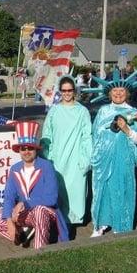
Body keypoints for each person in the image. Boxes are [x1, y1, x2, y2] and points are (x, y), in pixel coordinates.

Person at [83, 69, 137, 237]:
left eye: (121, 91)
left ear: (127, 93)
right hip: (102, 159)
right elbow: (94, 135)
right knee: (101, 191)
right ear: (109, 93)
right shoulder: (103, 111)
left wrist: (127, 130)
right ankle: (99, 225)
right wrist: (94, 157)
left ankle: (120, 226)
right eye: (115, 91)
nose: (118, 94)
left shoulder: (133, 113)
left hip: (123, 159)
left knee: (121, 191)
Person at [0, 120, 69, 249]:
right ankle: (21, 234)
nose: (26, 151)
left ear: (35, 149)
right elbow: (9, 197)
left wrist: (25, 203)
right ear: (19, 150)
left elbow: (51, 199)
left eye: (30, 148)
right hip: (24, 213)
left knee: (40, 211)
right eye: (23, 148)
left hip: (46, 211)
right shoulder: (15, 169)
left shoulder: (46, 166)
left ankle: (40, 249)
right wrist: (8, 220)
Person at [41, 76, 92, 226]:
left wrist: (85, 159)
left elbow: (87, 137)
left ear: (74, 91)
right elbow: (46, 134)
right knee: (58, 189)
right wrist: (46, 156)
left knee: (75, 190)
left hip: (76, 158)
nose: (67, 93)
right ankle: (59, 221)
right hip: (57, 158)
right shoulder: (54, 111)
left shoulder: (82, 111)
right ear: (60, 92)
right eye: (64, 91)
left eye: (70, 90)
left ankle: (72, 221)